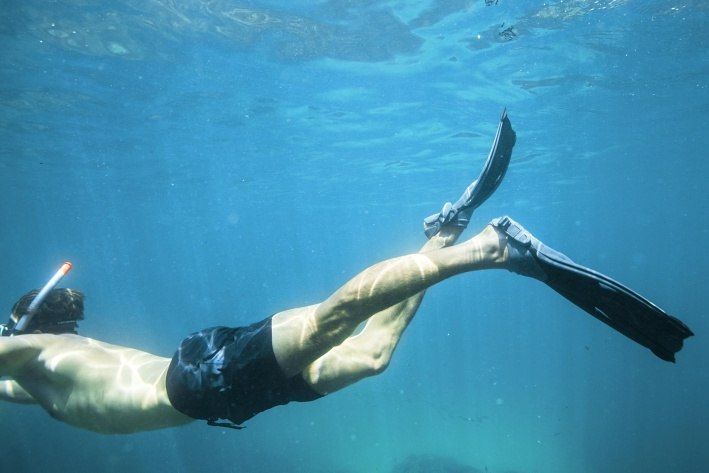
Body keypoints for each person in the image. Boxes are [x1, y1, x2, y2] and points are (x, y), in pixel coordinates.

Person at [0, 112, 693, 434]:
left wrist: (13, 333)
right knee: (371, 354)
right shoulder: (37, 376)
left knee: (332, 318)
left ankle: (491, 249)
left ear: (24, 325)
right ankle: (446, 232)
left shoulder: (35, 352)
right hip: (219, 402)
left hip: (202, 379)